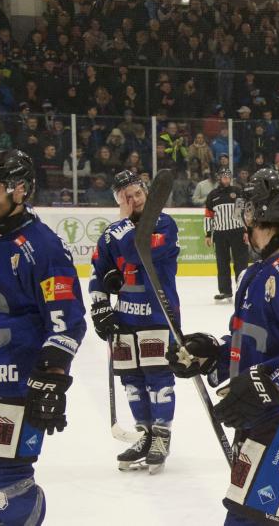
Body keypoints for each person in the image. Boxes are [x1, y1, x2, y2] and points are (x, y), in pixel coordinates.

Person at [167, 168, 279, 525]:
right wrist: (212, 355)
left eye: (247, 207)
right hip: (260, 414)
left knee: (249, 519)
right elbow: (256, 344)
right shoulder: (260, 270)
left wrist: (270, 385)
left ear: (256, 212)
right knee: (264, 516)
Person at [0, 150, 87, 524]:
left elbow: (67, 322)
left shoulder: (43, 247)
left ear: (20, 190)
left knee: (7, 475)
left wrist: (52, 378)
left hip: (15, 383)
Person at [88, 170, 180, 473]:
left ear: (146, 193)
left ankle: (161, 435)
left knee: (158, 377)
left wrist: (125, 222)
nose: (134, 200)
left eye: (137, 194)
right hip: (124, 317)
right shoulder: (110, 233)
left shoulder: (164, 224)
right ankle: (146, 434)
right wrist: (100, 306)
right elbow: (97, 271)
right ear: (117, 200)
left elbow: (137, 251)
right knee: (131, 380)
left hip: (158, 315)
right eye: (125, 197)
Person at [204, 169, 248, 302]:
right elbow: (208, 216)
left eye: (228, 177)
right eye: (224, 177)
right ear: (219, 178)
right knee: (222, 263)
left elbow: (243, 213)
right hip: (220, 234)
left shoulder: (238, 191)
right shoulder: (213, 195)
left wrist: (246, 231)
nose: (226, 179)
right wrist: (208, 234)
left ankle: (242, 289)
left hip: (237, 231)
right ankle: (225, 291)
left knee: (241, 262)